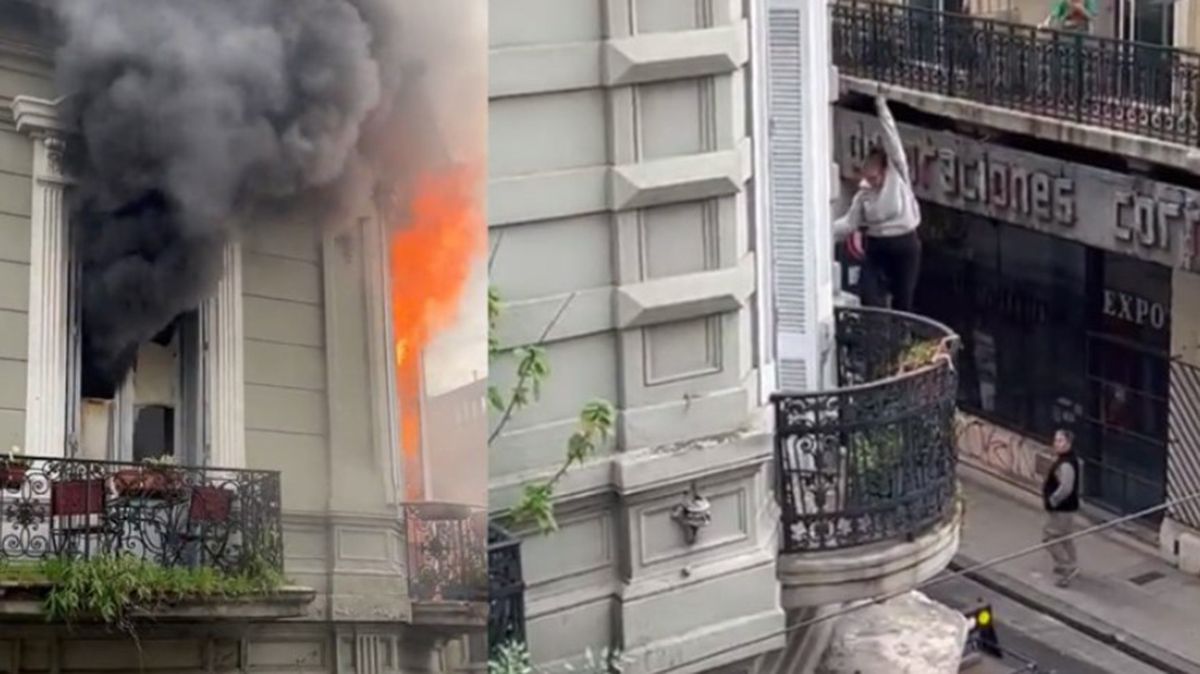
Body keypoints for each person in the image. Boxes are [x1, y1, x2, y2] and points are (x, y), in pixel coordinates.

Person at [833, 94, 922, 312]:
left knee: (903, 303)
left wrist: (881, 107)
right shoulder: (864, 194)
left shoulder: (898, 176)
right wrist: (820, 232)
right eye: (868, 177)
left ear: (884, 172)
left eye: (875, 178)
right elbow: (848, 224)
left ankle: (899, 340)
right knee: (870, 298)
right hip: (877, 247)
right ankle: (877, 336)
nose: (870, 182)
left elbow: (892, 141)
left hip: (905, 246)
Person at [1042, 428, 1081, 588]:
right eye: (1056, 440)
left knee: (1049, 538)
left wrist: (1053, 500)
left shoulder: (1066, 464)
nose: (1056, 443)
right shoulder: (1067, 460)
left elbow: (1066, 488)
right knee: (1065, 537)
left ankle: (1066, 568)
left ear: (1068, 443)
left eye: (1060, 440)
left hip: (1062, 509)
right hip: (1067, 508)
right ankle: (1072, 564)